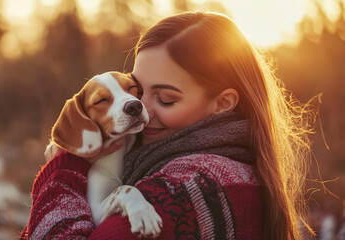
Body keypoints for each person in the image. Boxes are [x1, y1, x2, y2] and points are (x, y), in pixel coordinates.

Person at [20, 11, 314, 239]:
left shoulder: (184, 191)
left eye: (165, 99)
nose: (140, 107)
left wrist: (63, 174)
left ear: (222, 103)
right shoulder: (242, 166)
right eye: (138, 90)